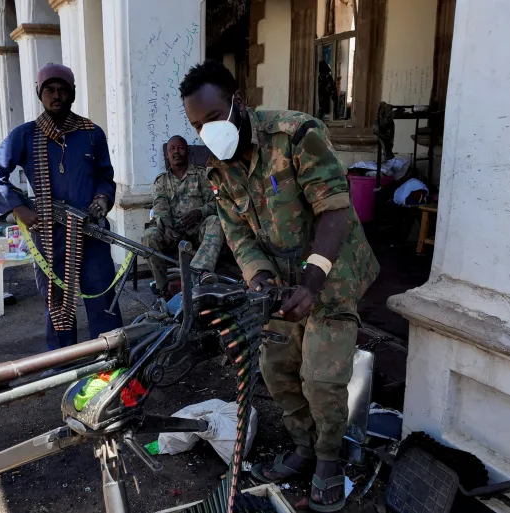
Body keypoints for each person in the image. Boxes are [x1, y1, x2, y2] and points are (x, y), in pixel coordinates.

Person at [180, 60, 379, 512]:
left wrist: (311, 281)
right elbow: (239, 234)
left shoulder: (295, 134)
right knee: (275, 368)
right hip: (281, 283)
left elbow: (334, 209)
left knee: (321, 378)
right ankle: (304, 447)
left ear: (239, 102)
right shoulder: (217, 170)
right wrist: (261, 278)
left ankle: (329, 459)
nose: (206, 132)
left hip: (333, 273)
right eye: (196, 126)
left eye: (213, 119)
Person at [0, 63, 123, 351]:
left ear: (72, 94)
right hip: (49, 234)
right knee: (56, 303)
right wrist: (19, 208)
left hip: (90, 231)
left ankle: (109, 360)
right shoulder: (26, 135)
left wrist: (101, 200)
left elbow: (105, 177)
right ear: (39, 93)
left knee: (102, 299)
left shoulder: (92, 133)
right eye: (49, 90)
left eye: (62, 89)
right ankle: (62, 361)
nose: (56, 95)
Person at [141, 135, 223, 295]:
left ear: (187, 151)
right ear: (167, 154)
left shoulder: (203, 175)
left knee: (216, 221)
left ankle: (199, 273)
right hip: (172, 231)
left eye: (180, 148)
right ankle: (163, 288)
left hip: (198, 229)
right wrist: (167, 228)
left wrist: (200, 212)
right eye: (172, 149)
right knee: (149, 236)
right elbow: (160, 205)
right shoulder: (161, 181)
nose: (176, 152)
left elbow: (218, 202)